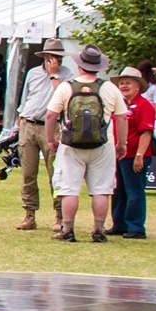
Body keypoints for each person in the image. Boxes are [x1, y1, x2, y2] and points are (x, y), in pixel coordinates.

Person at [44, 45, 129, 243]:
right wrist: (122, 143)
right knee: (101, 189)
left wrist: (51, 139)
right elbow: (123, 117)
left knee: (69, 189)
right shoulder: (109, 88)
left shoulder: (66, 86)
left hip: (71, 143)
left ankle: (68, 229)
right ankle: (98, 229)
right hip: (102, 143)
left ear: (80, 65)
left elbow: (50, 115)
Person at [13, 44, 70, 231]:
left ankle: (60, 215)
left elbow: (64, 98)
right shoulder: (33, 73)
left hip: (51, 127)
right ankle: (29, 214)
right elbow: (25, 99)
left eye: (59, 57)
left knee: (55, 172)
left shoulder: (67, 75)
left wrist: (54, 75)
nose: (57, 60)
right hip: (29, 124)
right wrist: (18, 123)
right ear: (45, 56)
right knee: (28, 173)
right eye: (53, 56)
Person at [109, 68, 155, 239]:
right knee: (118, 191)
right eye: (121, 83)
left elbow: (146, 132)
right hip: (119, 156)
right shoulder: (118, 105)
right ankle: (119, 224)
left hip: (134, 155)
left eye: (128, 82)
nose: (124, 86)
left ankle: (136, 226)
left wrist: (139, 155)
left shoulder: (144, 105)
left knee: (134, 191)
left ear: (138, 86)